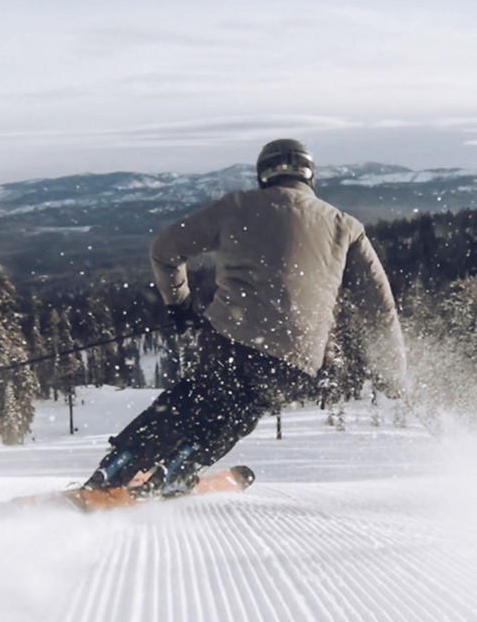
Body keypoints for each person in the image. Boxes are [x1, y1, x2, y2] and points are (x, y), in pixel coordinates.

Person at [83, 138, 406, 498]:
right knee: (238, 412)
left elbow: (164, 250)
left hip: (229, 339)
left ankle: (115, 468)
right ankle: (176, 471)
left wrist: (181, 305)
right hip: (295, 361)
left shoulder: (237, 207)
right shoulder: (346, 226)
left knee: (190, 399)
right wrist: (394, 373)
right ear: (310, 176)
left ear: (262, 175)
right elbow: (381, 308)